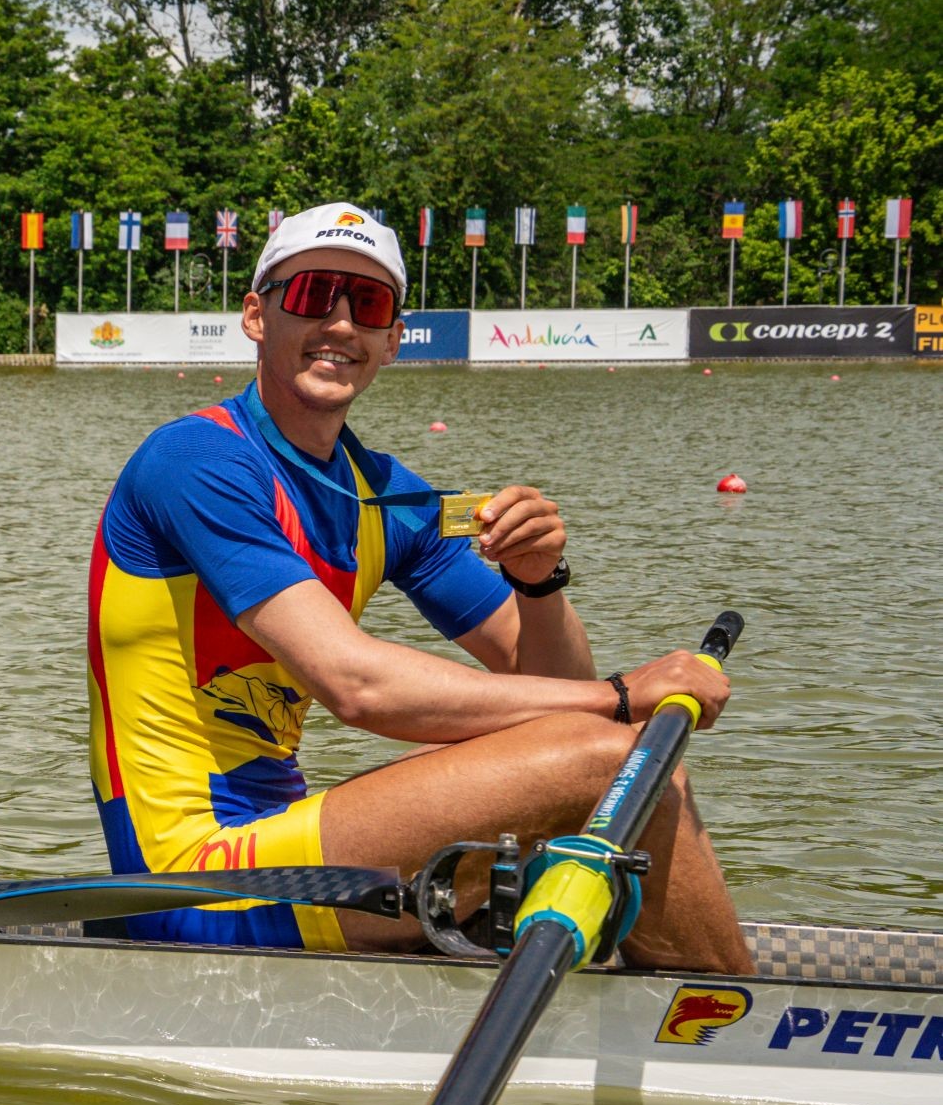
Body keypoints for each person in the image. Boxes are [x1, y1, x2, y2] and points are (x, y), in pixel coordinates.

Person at [86, 202, 751, 973]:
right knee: (620, 760)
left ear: (393, 340)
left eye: (367, 305)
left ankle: (683, 995)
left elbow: (552, 690)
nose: (340, 323)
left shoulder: (387, 497)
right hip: (190, 875)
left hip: (286, 844)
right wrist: (623, 694)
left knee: (618, 757)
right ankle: (729, 1023)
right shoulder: (196, 460)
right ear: (256, 315)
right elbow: (356, 685)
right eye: (311, 295)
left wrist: (540, 584)